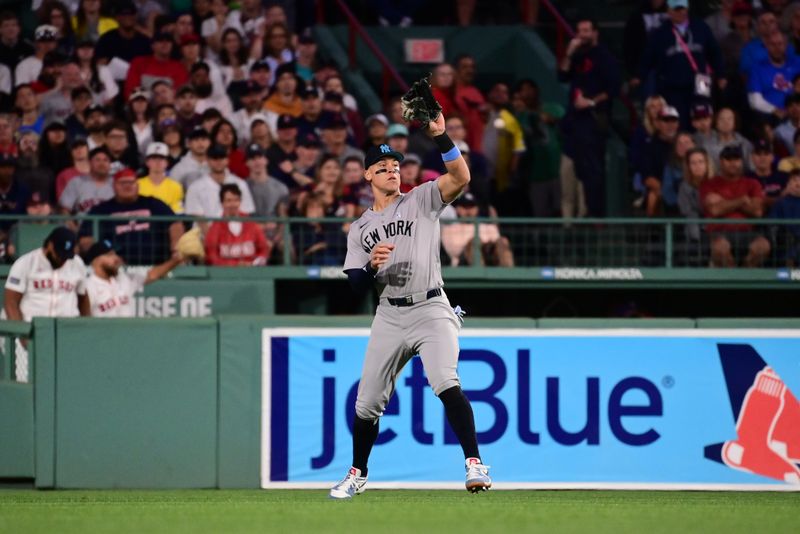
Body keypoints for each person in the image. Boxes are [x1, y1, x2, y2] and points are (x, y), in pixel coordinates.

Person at [330, 110, 491, 499]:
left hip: (432, 306)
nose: (391, 170)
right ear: (367, 175)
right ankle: (358, 473)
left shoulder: (420, 199)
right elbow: (354, 285)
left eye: (395, 165)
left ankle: (474, 463)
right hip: (389, 313)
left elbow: (461, 178)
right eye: (382, 166)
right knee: (367, 402)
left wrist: (440, 136)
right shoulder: (361, 228)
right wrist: (370, 266)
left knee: (445, 382)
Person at [4, 227, 89, 380]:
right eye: (60, 254)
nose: (62, 260)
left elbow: (83, 297)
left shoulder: (77, 264)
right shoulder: (26, 262)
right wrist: (22, 335)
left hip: (64, 332)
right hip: (31, 331)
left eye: (66, 256)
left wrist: (87, 328)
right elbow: (11, 302)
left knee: (66, 381)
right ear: (50, 245)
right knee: (26, 382)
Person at [559, 16, 620, 217]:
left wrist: (591, 102)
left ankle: (593, 215)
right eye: (580, 31)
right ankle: (572, 221)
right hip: (574, 123)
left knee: (592, 172)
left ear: (595, 33)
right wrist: (569, 52)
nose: (583, 35)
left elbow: (613, 89)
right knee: (572, 173)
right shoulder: (576, 55)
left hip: (593, 121)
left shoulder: (604, 56)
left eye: (586, 31)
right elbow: (562, 75)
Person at [639, 0, 723, 129]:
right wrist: (639, 76)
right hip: (673, 86)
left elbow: (714, 52)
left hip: (701, 81)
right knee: (679, 122)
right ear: (668, 10)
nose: (680, 12)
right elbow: (648, 59)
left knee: (704, 118)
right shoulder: (660, 33)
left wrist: (721, 75)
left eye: (682, 8)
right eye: (676, 9)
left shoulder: (701, 27)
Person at [79, 168, 183, 265]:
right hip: (115, 266)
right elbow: (85, 239)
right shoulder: (101, 210)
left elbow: (175, 224)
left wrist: (176, 249)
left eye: (131, 182)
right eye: (122, 183)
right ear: (114, 186)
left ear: (137, 185)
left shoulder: (153, 204)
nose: (127, 186)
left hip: (157, 264)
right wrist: (104, 256)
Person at [700, 145, 770, 267]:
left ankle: (745, 277)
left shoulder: (752, 183)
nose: (733, 163)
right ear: (721, 162)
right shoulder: (709, 184)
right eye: (728, 159)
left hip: (747, 231)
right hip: (718, 232)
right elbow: (715, 210)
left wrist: (724, 201)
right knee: (720, 248)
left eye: (736, 159)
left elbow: (757, 212)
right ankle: (733, 279)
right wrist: (742, 200)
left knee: (763, 246)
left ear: (742, 162)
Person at [83, 239, 182, 317]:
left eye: (115, 254)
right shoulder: (88, 286)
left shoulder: (124, 279)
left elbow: (152, 274)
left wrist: (177, 260)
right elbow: (85, 320)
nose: (116, 258)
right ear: (95, 261)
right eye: (110, 255)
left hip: (127, 336)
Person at [204, 183, 269, 266]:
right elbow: (212, 256)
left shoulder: (251, 224)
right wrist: (234, 265)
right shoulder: (215, 227)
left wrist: (253, 264)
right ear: (222, 203)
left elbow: (264, 250)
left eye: (236, 200)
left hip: (252, 273)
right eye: (229, 200)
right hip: (225, 275)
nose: (233, 204)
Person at [184, 143, 255, 217]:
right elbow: (198, 218)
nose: (218, 161)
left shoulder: (240, 184)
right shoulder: (195, 187)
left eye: (222, 157)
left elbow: (246, 213)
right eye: (215, 158)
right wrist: (215, 229)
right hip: (205, 228)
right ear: (207, 160)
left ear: (227, 160)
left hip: (234, 227)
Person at [138, 142, 183, 213]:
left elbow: (177, 212)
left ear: (167, 162)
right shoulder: (137, 184)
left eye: (161, 158)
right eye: (154, 158)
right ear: (147, 162)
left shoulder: (176, 186)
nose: (157, 162)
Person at [749, 138, 786, 211]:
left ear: (772, 157)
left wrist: (765, 200)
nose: (762, 158)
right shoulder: (747, 178)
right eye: (758, 154)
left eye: (766, 154)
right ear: (752, 157)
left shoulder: (784, 177)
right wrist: (779, 198)